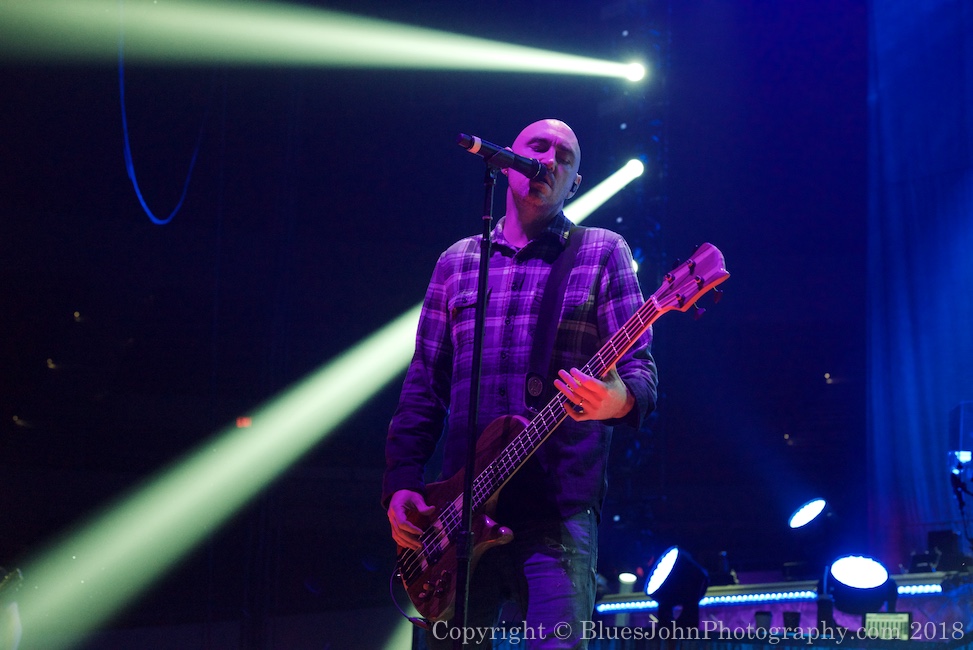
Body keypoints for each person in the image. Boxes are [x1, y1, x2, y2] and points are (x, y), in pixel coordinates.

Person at [383, 119, 658, 649]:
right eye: (538, 148)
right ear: (508, 159)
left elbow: (642, 374)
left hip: (557, 512)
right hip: (458, 515)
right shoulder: (457, 263)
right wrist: (400, 484)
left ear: (575, 182)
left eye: (565, 157)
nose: (549, 160)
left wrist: (614, 400)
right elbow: (423, 388)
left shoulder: (602, 252)